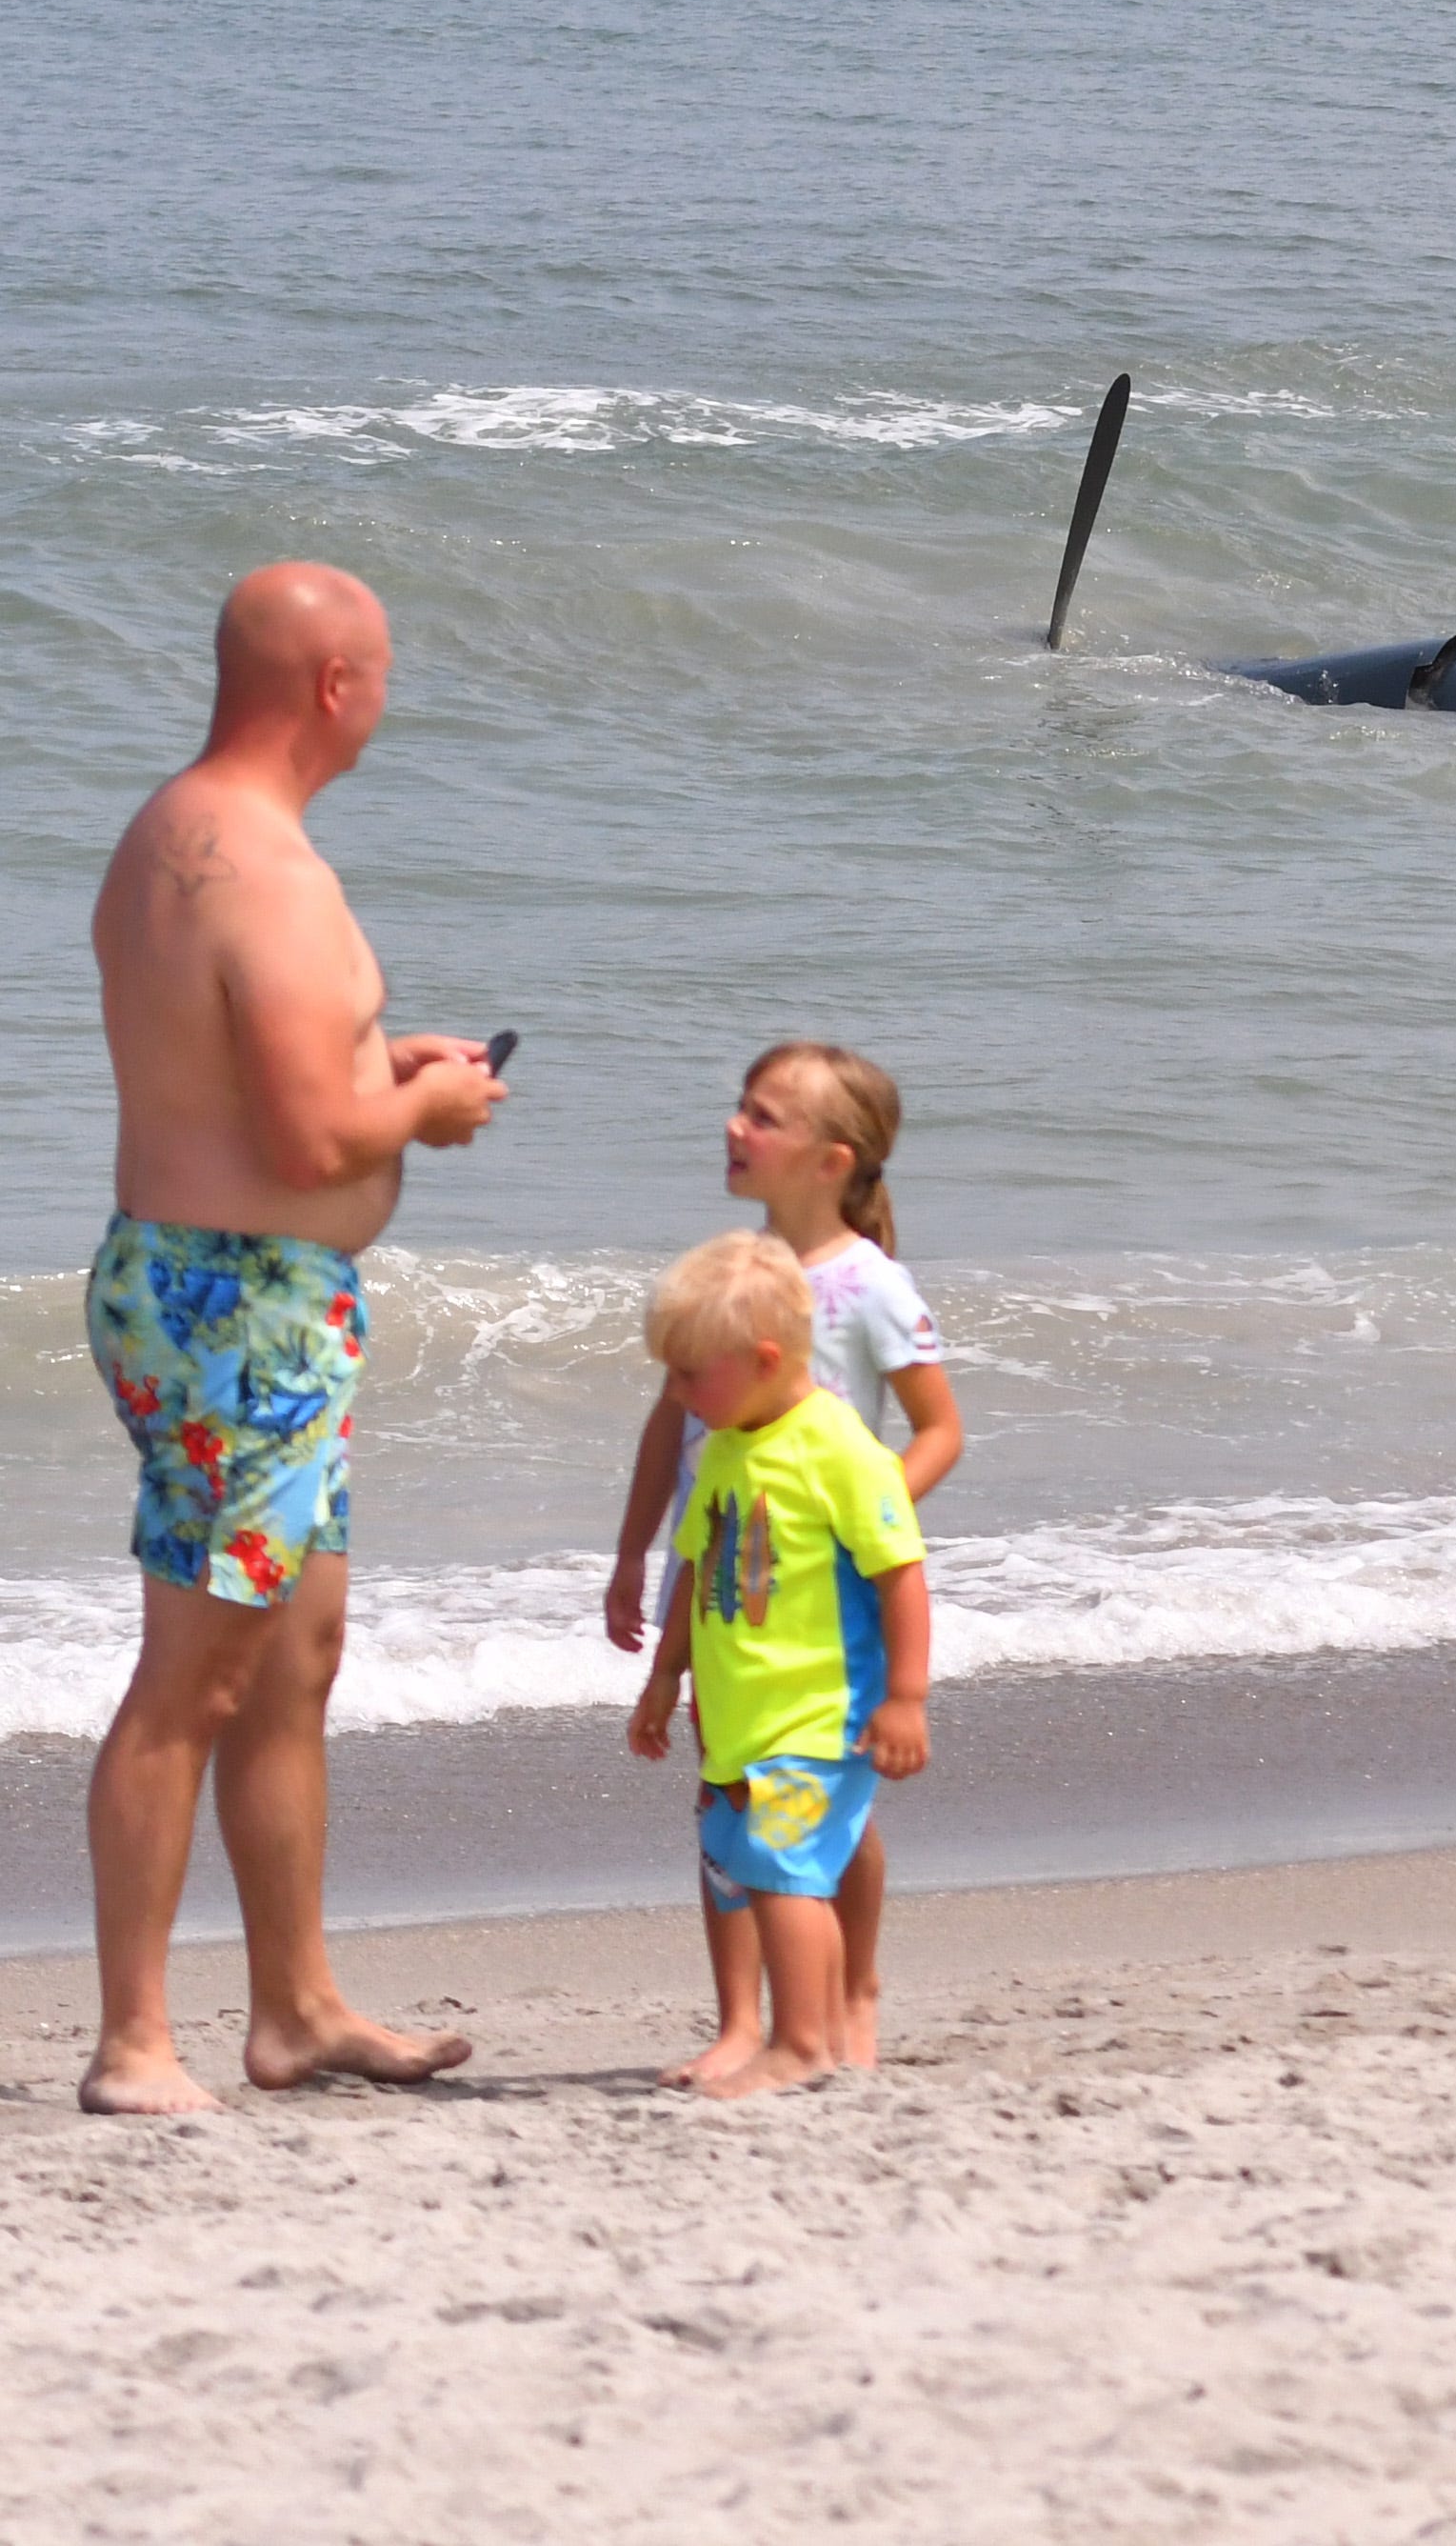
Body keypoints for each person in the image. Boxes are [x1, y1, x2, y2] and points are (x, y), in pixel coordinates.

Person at [79, 564, 507, 2116]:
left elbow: (252, 1068)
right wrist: (427, 1104)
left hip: (228, 1293)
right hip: (236, 1307)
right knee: (194, 1676)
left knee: (291, 1663)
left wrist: (370, 1054)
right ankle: (135, 2039)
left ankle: (296, 2007)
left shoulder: (170, 835)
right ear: (337, 687)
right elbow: (317, 1136)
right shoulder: (265, 871)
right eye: (383, 673)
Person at [605, 1044, 959, 2080]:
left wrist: (861, 1520)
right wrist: (634, 1553)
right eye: (739, 1107)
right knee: (728, 1793)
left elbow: (940, 1428)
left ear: (828, 1159)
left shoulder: (869, 1283)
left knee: (817, 1804)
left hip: (817, 1577)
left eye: (762, 1115)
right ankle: (739, 2021)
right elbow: (668, 1427)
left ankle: (848, 1990)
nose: (734, 1126)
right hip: (713, 1567)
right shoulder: (727, 1279)